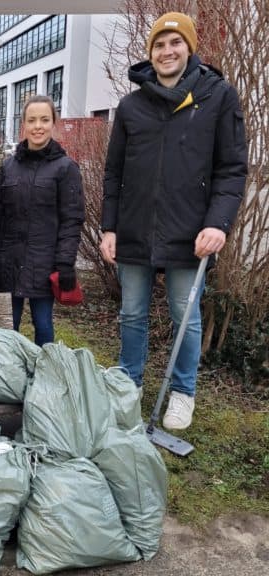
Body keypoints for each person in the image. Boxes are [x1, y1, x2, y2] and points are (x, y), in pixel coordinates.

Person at [100, 12, 247, 430]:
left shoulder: (218, 97)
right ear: (150, 52)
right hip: (133, 227)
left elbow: (232, 168)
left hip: (190, 231)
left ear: (189, 47)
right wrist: (108, 226)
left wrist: (218, 222)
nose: (166, 51)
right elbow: (113, 172)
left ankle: (182, 393)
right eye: (159, 45)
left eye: (175, 43)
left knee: (186, 314)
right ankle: (128, 386)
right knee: (131, 313)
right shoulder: (131, 106)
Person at [0, 95, 84, 346]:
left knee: (43, 324)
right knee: (8, 325)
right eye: (32, 120)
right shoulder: (8, 167)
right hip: (9, 261)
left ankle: (43, 375)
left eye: (44, 120)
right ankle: (9, 376)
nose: (38, 126)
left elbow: (72, 220)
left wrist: (65, 263)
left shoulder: (66, 168)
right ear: (23, 125)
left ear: (53, 123)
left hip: (45, 263)